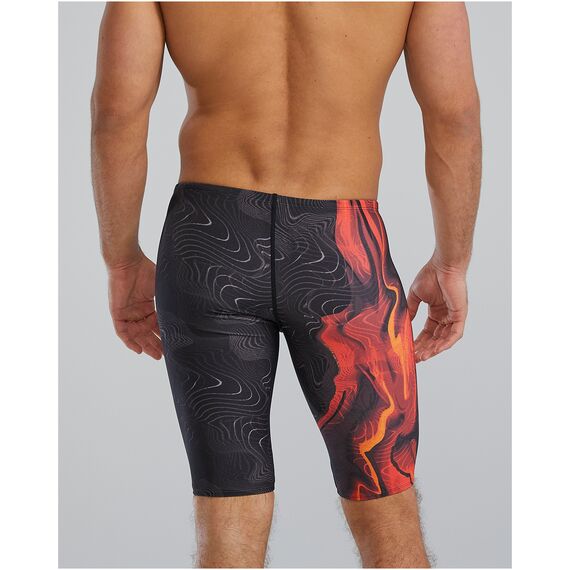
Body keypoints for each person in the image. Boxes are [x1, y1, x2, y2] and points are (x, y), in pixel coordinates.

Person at [91, 2, 481, 568]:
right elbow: (455, 116)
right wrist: (453, 263)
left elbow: (117, 113)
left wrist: (121, 261)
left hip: (209, 243)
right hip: (345, 252)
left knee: (227, 514)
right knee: (386, 505)